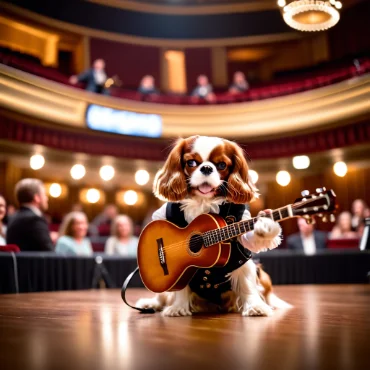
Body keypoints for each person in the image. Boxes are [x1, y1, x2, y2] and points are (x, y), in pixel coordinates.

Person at [6, 179, 54, 251]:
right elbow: (50, 253)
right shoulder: (35, 220)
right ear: (37, 198)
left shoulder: (13, 217)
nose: (46, 198)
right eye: (44, 195)